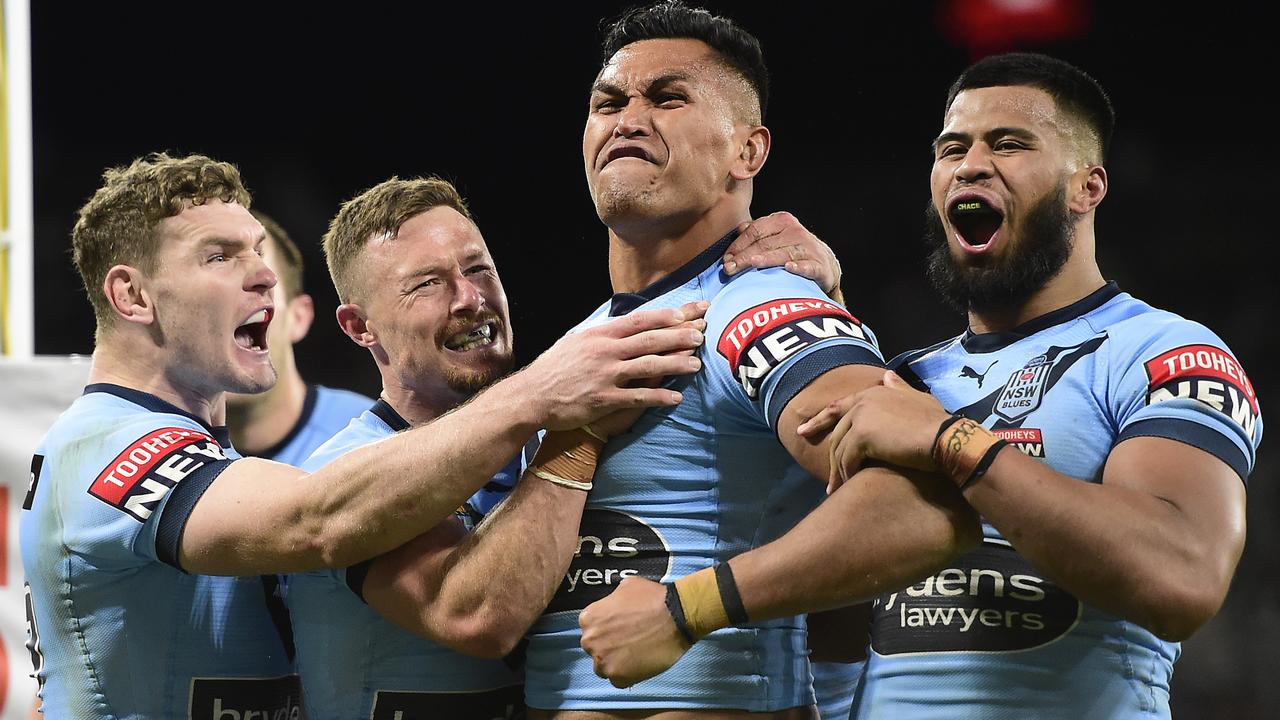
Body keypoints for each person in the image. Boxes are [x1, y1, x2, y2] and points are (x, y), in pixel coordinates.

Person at [586, 52, 1263, 720]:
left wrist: (954, 443)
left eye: (1009, 144)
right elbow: (841, 610)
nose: (971, 164)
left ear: (1086, 186)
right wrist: (823, 312)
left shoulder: (1165, 351)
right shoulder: (908, 379)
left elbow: (1182, 577)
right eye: (952, 148)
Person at [18, 152, 712, 718]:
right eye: (220, 256)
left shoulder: (205, 455)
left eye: (259, 251)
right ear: (133, 297)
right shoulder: (104, 447)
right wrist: (542, 398)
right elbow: (318, 518)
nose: (265, 275)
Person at [527, 2, 980, 716]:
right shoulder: (578, 349)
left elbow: (923, 508)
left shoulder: (756, 307)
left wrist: (688, 608)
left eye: (668, 97)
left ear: (749, 151)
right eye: (607, 101)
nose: (628, 117)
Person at [282, 174, 842, 719]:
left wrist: (824, 297)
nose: (470, 299)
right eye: (427, 284)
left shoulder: (540, 438)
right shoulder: (346, 472)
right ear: (360, 327)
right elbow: (479, 618)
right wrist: (579, 437)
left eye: (479, 270)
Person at [225, 210, 373, 465]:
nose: (235, 302)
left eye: (259, 287)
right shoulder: (157, 453)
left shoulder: (374, 441)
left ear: (299, 318)